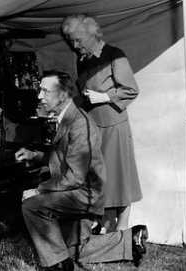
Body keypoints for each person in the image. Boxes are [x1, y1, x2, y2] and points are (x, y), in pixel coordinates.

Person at [15, 70, 148, 271]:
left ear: (62, 95)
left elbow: (74, 177)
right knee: (74, 249)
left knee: (32, 206)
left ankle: (57, 264)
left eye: (45, 91)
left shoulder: (79, 124)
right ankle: (130, 240)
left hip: (85, 194)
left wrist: (39, 190)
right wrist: (34, 155)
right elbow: (63, 159)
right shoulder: (66, 117)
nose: (39, 96)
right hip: (79, 190)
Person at [61, 14, 142, 233]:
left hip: (114, 127)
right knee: (100, 178)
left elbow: (131, 89)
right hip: (93, 128)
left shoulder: (115, 55)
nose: (75, 46)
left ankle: (123, 230)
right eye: (71, 42)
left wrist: (104, 97)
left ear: (93, 34)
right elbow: (83, 95)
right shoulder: (82, 60)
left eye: (78, 40)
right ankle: (105, 225)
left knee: (120, 178)